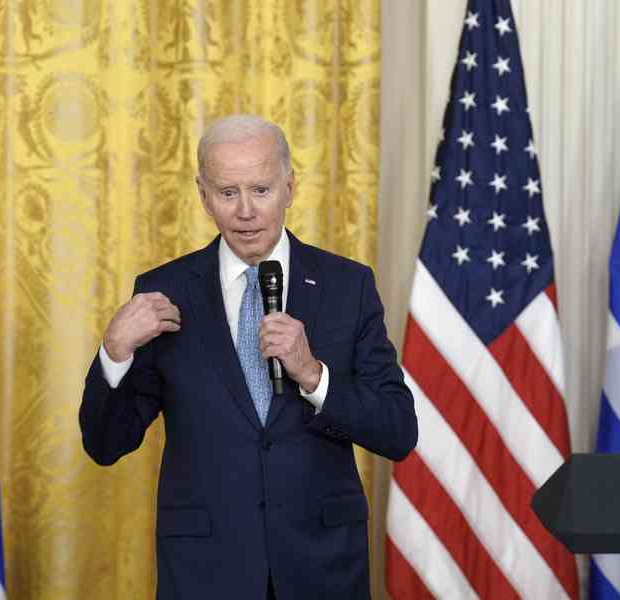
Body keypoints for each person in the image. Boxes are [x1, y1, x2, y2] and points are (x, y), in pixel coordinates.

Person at [79, 114, 418, 599]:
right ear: (202, 194)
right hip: (205, 574)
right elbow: (105, 444)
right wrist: (114, 352)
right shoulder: (165, 291)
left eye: (260, 190)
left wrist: (314, 376)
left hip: (322, 570)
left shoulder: (348, 286)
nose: (245, 212)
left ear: (289, 187)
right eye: (227, 192)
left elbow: (398, 431)